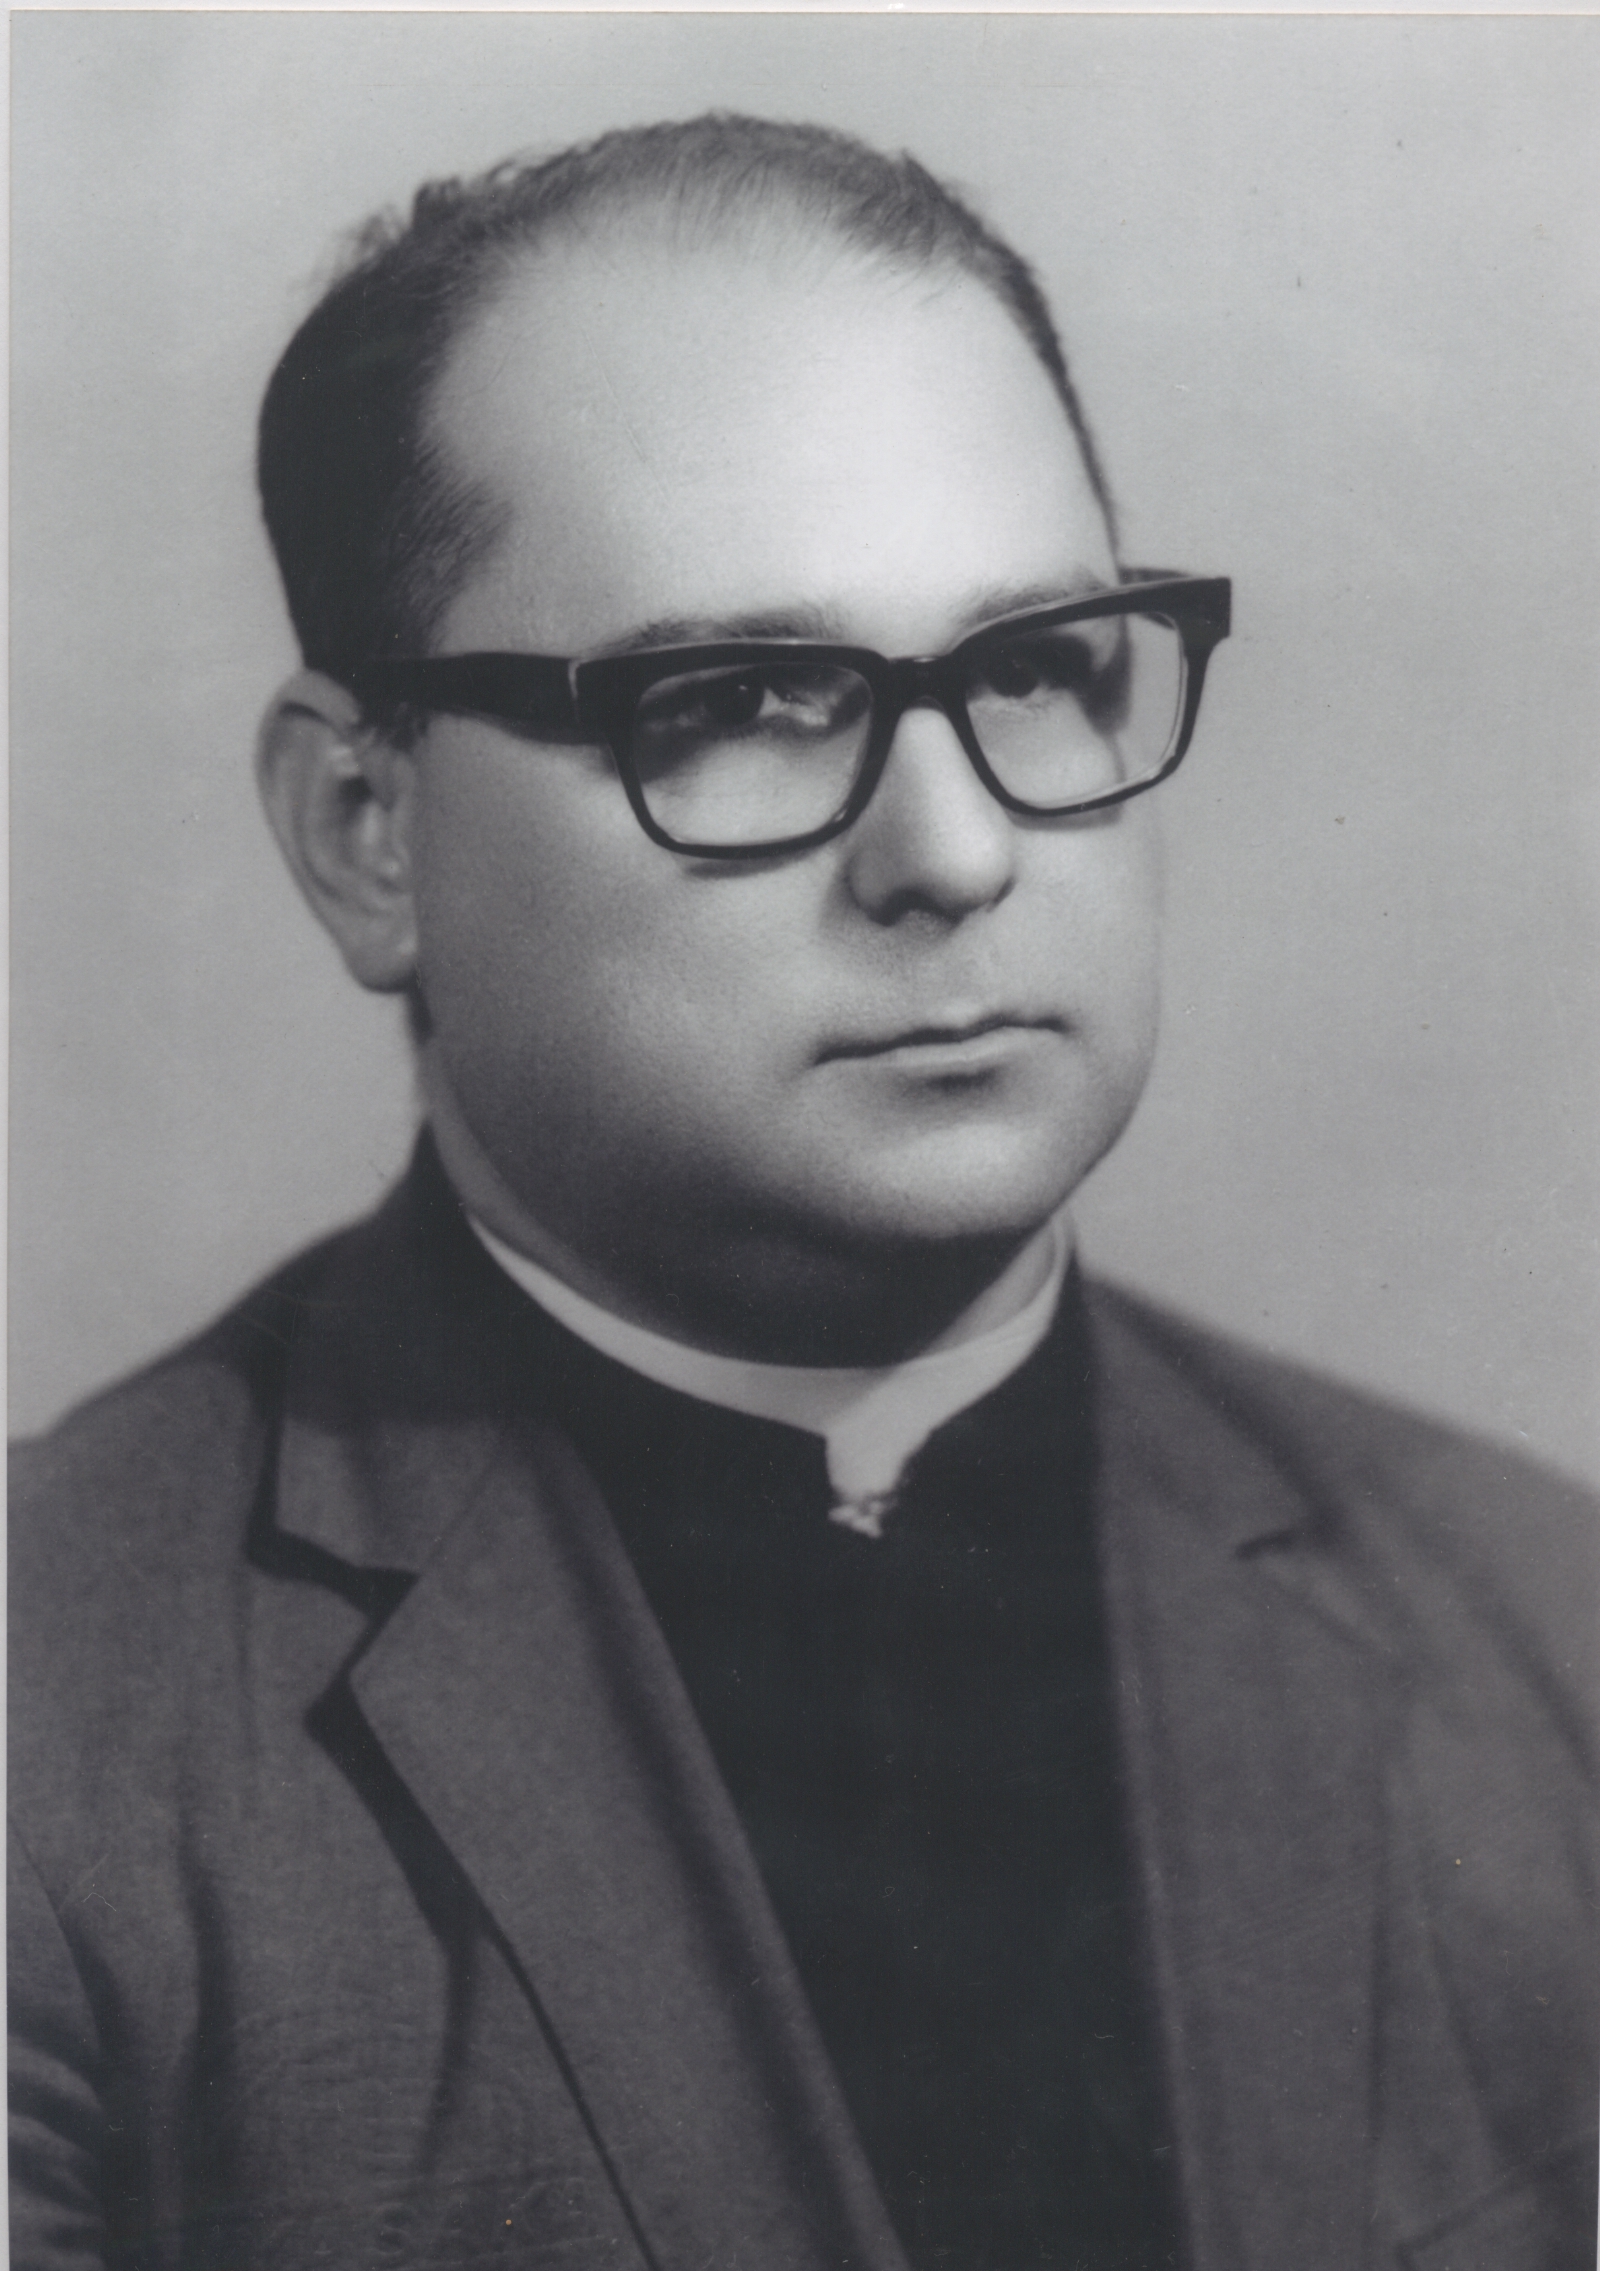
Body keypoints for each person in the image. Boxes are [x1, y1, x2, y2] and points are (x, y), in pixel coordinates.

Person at [9, 114, 1594, 2271]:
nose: (953, 849)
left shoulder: (1546, 1631)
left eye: (1034, 666)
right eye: (740, 700)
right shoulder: (52, 1730)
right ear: (366, 829)